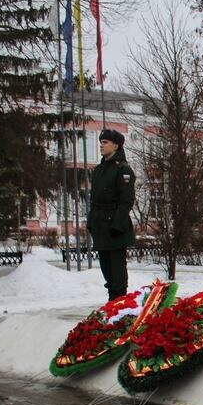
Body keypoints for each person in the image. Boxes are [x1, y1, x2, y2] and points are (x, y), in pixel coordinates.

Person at [87, 129, 136, 301]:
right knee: (106, 270)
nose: (101, 145)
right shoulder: (100, 170)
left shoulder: (123, 170)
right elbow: (94, 200)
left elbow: (126, 201)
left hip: (115, 228)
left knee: (117, 272)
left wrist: (116, 225)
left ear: (116, 145)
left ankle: (119, 302)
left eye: (105, 142)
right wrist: (91, 222)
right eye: (101, 142)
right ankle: (112, 301)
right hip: (101, 226)